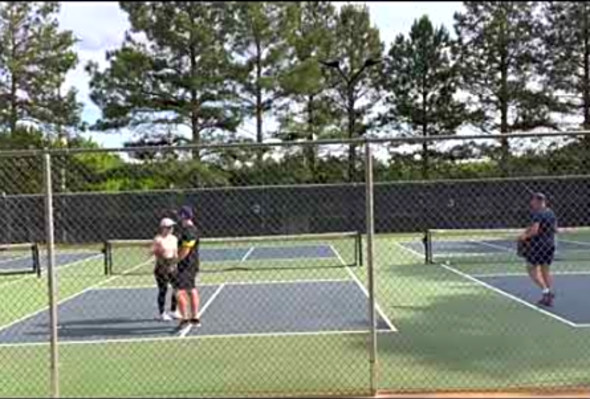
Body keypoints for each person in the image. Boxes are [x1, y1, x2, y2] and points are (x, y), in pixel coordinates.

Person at [518, 192, 557, 307]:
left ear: (539, 201)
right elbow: (555, 229)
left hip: (538, 246)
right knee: (545, 270)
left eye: (533, 201)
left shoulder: (538, 213)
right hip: (550, 244)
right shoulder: (551, 213)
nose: (531, 203)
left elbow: (535, 230)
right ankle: (548, 294)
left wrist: (523, 237)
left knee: (531, 268)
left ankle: (546, 291)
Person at [173, 206, 201, 334]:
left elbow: (186, 249)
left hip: (186, 266)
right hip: (191, 265)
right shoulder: (189, 229)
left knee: (178, 292)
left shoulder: (189, 231)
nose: (177, 217)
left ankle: (185, 319)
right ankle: (195, 318)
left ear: (183, 216)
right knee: (191, 290)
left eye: (179, 215)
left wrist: (175, 261)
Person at [152, 218, 181, 321]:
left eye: (172, 227)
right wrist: (164, 265)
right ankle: (162, 313)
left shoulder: (174, 238)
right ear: (163, 228)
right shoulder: (158, 239)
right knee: (163, 290)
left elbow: (176, 253)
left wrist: (175, 265)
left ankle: (173, 311)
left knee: (176, 288)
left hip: (172, 265)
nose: (171, 229)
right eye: (169, 227)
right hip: (161, 267)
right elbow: (154, 253)